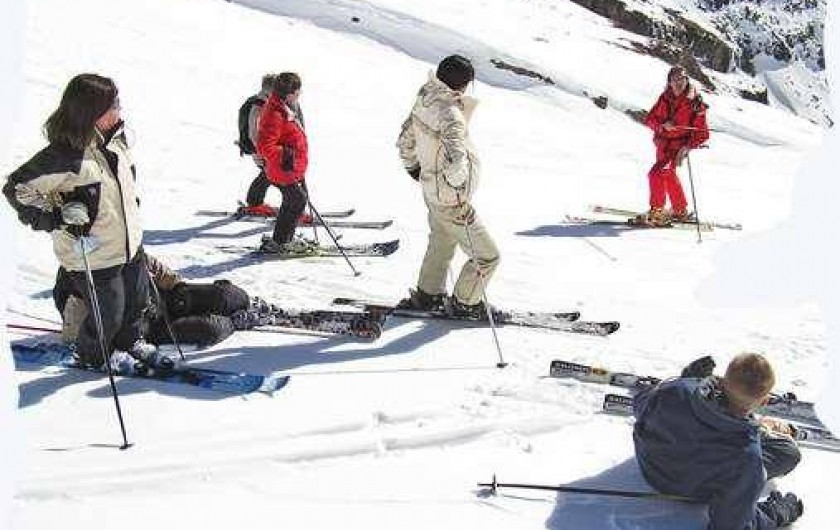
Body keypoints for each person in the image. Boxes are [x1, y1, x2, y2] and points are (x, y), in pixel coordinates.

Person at [3, 73, 151, 368]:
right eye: (113, 105)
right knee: (108, 315)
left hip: (128, 244)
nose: (119, 109)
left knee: (136, 303)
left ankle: (130, 343)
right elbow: (17, 189)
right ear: (91, 111)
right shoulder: (64, 156)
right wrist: (57, 216)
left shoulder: (117, 142)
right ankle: (92, 355)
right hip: (93, 253)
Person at [633, 353, 804, 529]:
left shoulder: (673, 391)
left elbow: (640, 404)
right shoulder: (748, 457)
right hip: (691, 490)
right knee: (788, 453)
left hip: (651, 469)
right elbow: (729, 526)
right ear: (765, 401)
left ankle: (751, 424)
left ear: (721, 381)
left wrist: (688, 383)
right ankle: (759, 426)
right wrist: (777, 513)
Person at [395, 55, 500, 318]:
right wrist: (457, 190)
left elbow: (405, 138)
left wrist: (415, 169)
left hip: (433, 192)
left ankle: (428, 294)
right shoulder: (451, 115)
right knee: (488, 256)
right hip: (451, 199)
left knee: (442, 241)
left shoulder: (425, 97)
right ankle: (466, 302)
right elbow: (456, 161)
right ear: (462, 84)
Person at [53, 254, 248, 348]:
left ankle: (244, 306)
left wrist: (178, 286)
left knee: (229, 296)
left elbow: (147, 262)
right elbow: (77, 331)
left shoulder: (115, 245)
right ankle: (235, 321)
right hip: (143, 326)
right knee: (209, 329)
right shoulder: (76, 274)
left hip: (161, 297)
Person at [634, 65, 709, 227]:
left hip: (677, 149)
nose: (679, 82)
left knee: (656, 174)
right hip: (662, 145)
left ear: (687, 80)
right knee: (668, 175)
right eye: (675, 79)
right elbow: (649, 119)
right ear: (669, 82)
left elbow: (702, 134)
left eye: (682, 78)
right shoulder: (664, 98)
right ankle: (680, 210)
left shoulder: (696, 104)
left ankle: (657, 211)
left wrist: (687, 147)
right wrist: (662, 126)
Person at [255, 72, 312, 254]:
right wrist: (286, 154)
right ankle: (281, 242)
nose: (299, 94)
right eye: (297, 91)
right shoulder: (275, 113)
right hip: (281, 169)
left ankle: (281, 239)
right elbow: (264, 146)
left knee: (293, 201)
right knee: (297, 201)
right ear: (289, 94)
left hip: (287, 167)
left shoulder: (283, 107)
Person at [237, 73, 278, 215]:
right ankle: (254, 203)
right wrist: (258, 152)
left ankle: (254, 202)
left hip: (264, 148)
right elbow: (253, 133)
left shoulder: (265, 102)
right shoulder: (258, 106)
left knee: (269, 174)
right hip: (260, 149)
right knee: (271, 174)